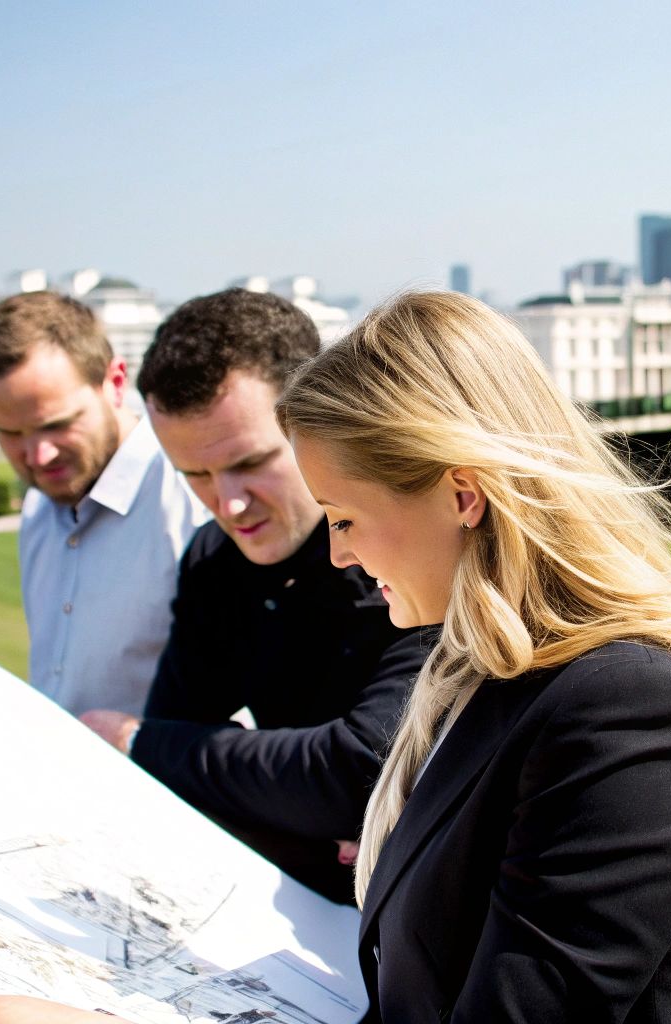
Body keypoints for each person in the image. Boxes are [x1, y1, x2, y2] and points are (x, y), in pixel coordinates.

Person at [0, 292, 671, 1024]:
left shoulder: (627, 706)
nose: (339, 556)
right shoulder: (484, 672)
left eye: (348, 519)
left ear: (463, 494)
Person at [77, 288, 426, 905]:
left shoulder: (403, 544)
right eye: (196, 475)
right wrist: (294, 805)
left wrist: (135, 738)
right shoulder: (215, 559)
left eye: (252, 461)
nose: (228, 504)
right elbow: (173, 766)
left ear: (320, 420)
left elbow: (358, 771)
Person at [0, 291, 207, 717]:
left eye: (56, 425)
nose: (36, 457)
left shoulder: (194, 501)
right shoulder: (38, 508)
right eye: (9, 432)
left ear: (115, 383)